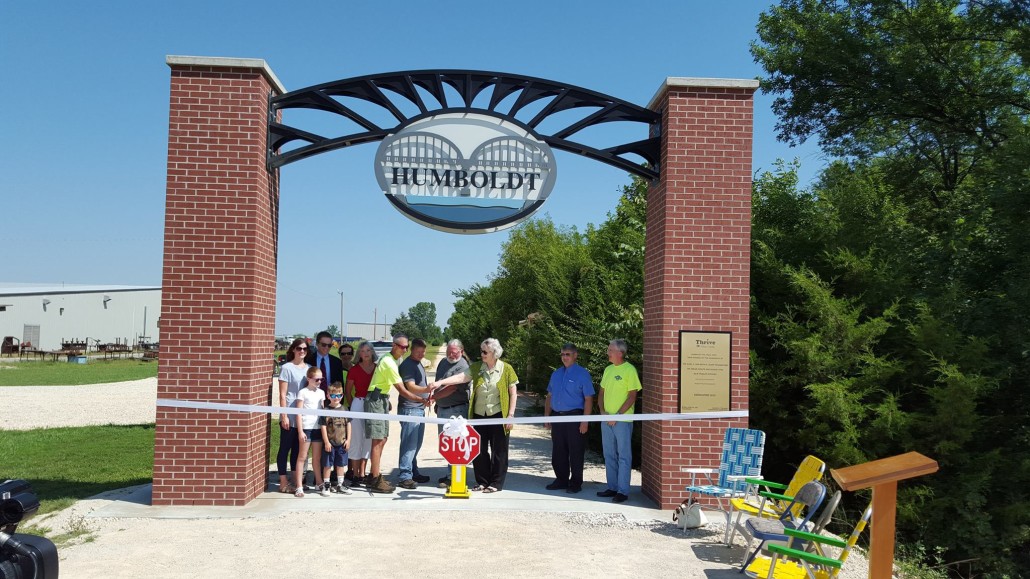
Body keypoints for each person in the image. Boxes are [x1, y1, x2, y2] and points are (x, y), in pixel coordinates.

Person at [431, 338, 518, 493]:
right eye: (481, 351)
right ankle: (482, 482)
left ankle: (496, 483)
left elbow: (513, 393)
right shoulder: (477, 367)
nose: (482, 354)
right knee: (479, 450)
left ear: (494, 353)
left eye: (485, 352)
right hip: (478, 415)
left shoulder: (507, 369)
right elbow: (461, 378)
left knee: (499, 450)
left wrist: (510, 415)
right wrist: (440, 383)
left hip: (499, 415)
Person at [544, 343, 594, 494]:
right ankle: (561, 480)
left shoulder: (582, 374)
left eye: (568, 354)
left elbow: (588, 399)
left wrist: (585, 421)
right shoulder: (556, 374)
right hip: (557, 417)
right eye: (562, 354)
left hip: (574, 417)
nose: (564, 357)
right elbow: (549, 396)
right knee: (558, 451)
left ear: (575, 355)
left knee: (576, 451)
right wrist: (547, 416)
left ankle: (575, 483)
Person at [596, 339, 641, 504]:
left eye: (610, 350)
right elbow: (601, 393)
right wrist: (602, 412)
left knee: (623, 456)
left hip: (622, 421)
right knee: (609, 455)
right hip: (606, 419)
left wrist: (618, 415)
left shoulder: (630, 370)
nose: (607, 353)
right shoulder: (608, 370)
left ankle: (623, 491)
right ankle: (612, 487)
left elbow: (632, 396)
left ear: (620, 353)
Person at [364, 335, 410, 493]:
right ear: (394, 345)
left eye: (406, 347)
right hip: (375, 400)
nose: (404, 350)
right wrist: (421, 398)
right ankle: (376, 479)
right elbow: (402, 389)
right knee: (378, 440)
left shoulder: (392, 359)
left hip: (381, 398)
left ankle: (373, 474)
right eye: (401, 346)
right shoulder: (389, 362)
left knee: (382, 438)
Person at [431, 339, 471, 488]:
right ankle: (451, 474)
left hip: (457, 410)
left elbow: (452, 388)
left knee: (457, 444)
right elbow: (438, 382)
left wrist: (434, 398)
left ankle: (456, 477)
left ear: (461, 351)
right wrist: (437, 404)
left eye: (454, 352)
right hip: (443, 409)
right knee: (447, 444)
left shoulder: (463, 366)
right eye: (448, 352)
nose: (450, 355)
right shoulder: (443, 362)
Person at [396, 338, 433, 488]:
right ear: (412, 350)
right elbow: (410, 386)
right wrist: (426, 390)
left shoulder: (418, 363)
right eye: (418, 352)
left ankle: (413, 471)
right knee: (409, 444)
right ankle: (405, 475)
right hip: (410, 409)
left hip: (418, 408)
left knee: (416, 444)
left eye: (423, 352)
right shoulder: (408, 365)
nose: (421, 354)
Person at [275, 338, 309, 493]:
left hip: (302, 417)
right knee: (285, 449)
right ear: (293, 350)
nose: (302, 351)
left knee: (297, 450)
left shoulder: (308, 368)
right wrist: (284, 415)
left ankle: (296, 481)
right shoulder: (287, 368)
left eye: (305, 349)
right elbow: (282, 395)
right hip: (289, 413)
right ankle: (283, 482)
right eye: (299, 348)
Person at [345, 341, 376, 487]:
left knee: (368, 439)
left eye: (368, 350)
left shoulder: (378, 368)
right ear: (359, 353)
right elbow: (347, 391)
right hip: (358, 403)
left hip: (373, 405)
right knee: (356, 439)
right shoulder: (354, 369)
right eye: (363, 351)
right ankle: (356, 474)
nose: (366, 353)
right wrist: (353, 406)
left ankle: (363, 472)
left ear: (372, 352)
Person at [294, 367, 326, 497]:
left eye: (321, 379)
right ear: (309, 379)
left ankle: (319, 482)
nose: (319, 381)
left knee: (317, 458)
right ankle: (299, 486)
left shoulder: (321, 392)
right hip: (306, 427)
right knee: (302, 457)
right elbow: (298, 413)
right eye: (317, 379)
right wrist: (300, 431)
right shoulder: (303, 392)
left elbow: (323, 410)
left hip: (318, 427)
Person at [319, 381, 353, 495]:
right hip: (330, 443)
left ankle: (340, 484)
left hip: (342, 442)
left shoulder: (345, 410)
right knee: (328, 465)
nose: (336, 398)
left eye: (339, 395)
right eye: (333, 395)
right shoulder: (325, 411)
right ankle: (327, 485)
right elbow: (323, 427)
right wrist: (326, 442)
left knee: (341, 464)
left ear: (342, 396)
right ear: (328, 396)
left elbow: (348, 424)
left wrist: (348, 440)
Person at [305, 331, 343, 400]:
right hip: (312, 398)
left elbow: (340, 384)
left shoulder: (337, 362)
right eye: (324, 344)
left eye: (329, 345)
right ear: (317, 344)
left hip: (332, 400)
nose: (326, 347)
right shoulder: (308, 360)